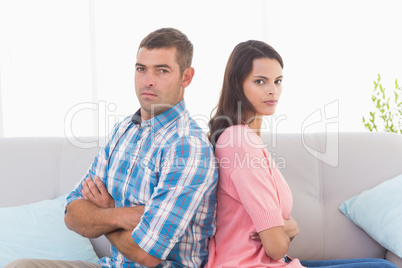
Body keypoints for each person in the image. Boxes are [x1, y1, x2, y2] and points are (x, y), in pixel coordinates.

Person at [5, 28, 218, 268]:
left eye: (162, 70)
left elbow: (146, 255)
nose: (147, 80)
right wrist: (118, 213)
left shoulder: (187, 146)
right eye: (141, 69)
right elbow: (72, 214)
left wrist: (102, 216)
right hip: (111, 265)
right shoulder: (123, 131)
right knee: (20, 265)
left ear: (186, 77)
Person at [206, 40, 397, 268]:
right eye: (260, 81)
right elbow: (276, 246)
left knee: (378, 264)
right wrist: (290, 227)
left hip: (268, 262)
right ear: (237, 84)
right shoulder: (239, 141)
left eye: (277, 81)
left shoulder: (246, 139)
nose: (272, 90)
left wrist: (286, 228)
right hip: (250, 264)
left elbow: (276, 239)